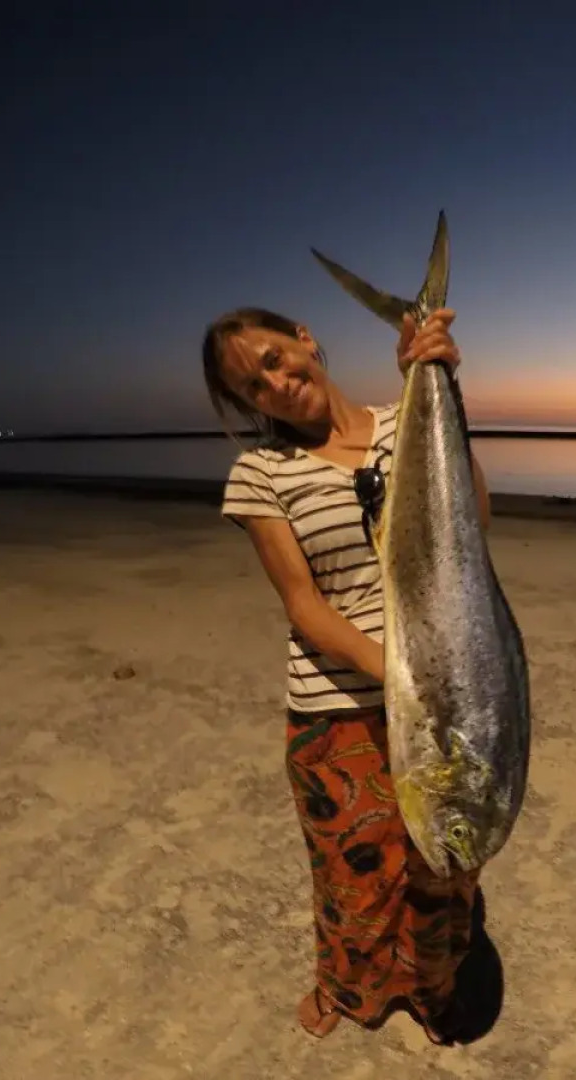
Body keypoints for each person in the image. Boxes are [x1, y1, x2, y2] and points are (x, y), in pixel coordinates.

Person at [201, 305, 492, 1043]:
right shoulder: (261, 473)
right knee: (351, 872)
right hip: (338, 704)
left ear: (305, 337)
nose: (274, 382)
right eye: (252, 386)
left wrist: (436, 380)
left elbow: (474, 523)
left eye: (273, 357)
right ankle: (346, 985)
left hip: (441, 693)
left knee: (440, 867)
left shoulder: (407, 423)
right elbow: (304, 606)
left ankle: (433, 989)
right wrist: (396, 674)